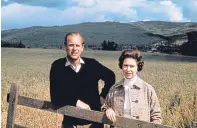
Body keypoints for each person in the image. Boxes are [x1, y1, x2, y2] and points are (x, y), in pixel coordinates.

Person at [50, 32, 115, 128]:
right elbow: (55, 97)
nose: (74, 49)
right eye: (71, 45)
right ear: (65, 46)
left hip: (95, 124)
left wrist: (103, 96)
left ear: (82, 47)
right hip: (70, 124)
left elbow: (111, 76)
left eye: (77, 45)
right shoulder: (57, 66)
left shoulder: (92, 64)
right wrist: (77, 102)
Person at [102, 49, 161, 127]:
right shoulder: (114, 89)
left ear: (138, 67)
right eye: (125, 65)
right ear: (121, 66)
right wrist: (108, 110)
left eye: (132, 66)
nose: (128, 69)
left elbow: (156, 116)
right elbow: (105, 106)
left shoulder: (147, 89)